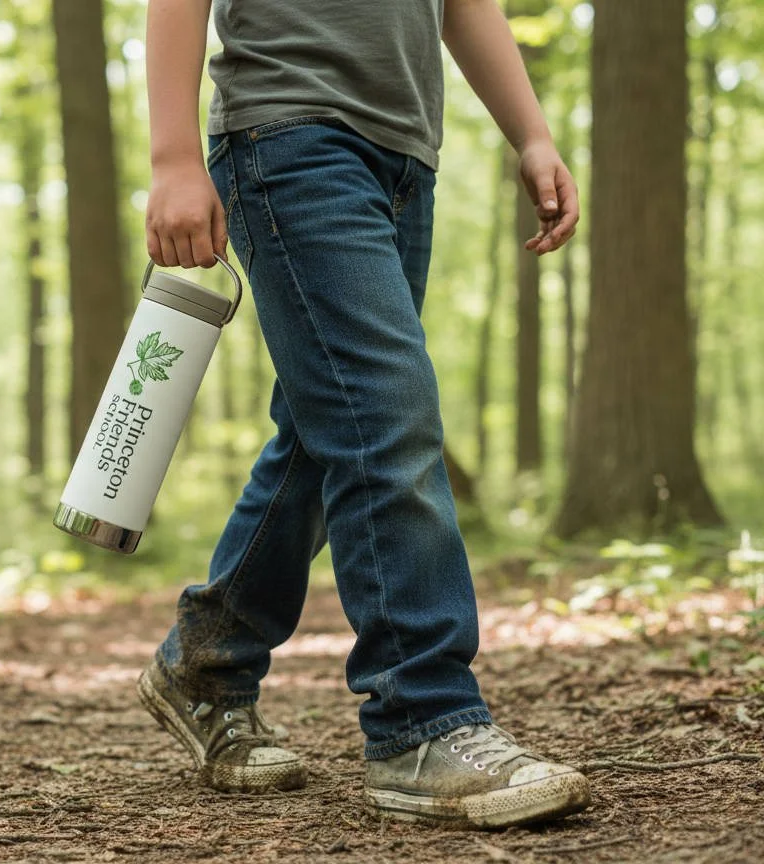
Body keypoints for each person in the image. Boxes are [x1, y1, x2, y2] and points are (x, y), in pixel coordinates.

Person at [136, 0, 590, 829]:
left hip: (404, 157)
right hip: (289, 133)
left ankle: (207, 659)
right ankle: (422, 720)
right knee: (387, 418)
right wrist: (171, 156)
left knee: (331, 425)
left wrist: (532, 133)